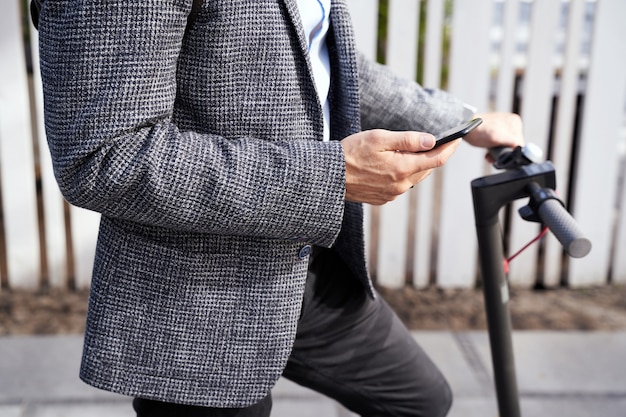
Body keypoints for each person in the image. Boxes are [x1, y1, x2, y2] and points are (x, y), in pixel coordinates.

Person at [38, 1, 523, 416]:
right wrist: (332, 177)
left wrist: (462, 120)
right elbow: (103, 158)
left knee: (419, 402)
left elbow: (320, 59)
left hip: (300, 267)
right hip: (197, 300)